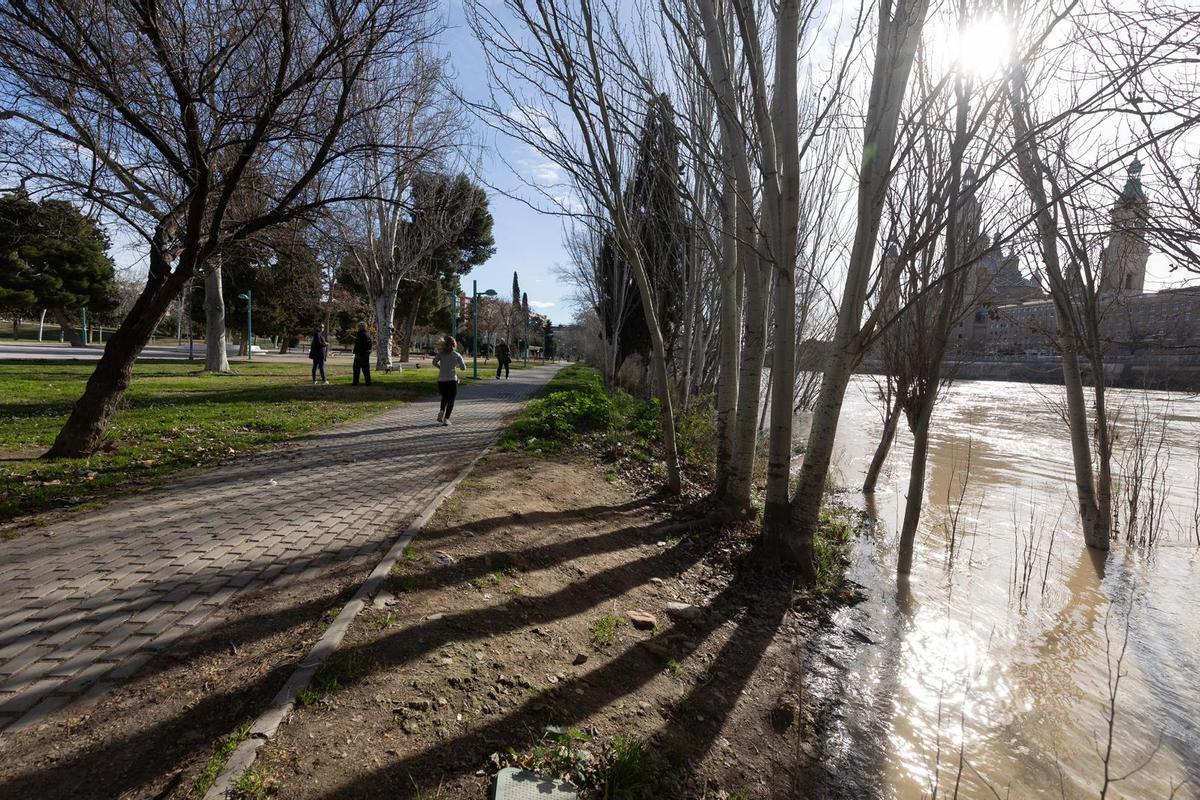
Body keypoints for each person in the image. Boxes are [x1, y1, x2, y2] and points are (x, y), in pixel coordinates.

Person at [431, 335, 467, 425]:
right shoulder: (457, 355)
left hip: (441, 380)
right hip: (452, 380)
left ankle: (441, 410)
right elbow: (463, 368)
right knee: (451, 400)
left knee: (444, 397)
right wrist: (456, 365)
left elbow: (434, 362)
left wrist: (440, 367)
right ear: (454, 345)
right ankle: (446, 419)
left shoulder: (441, 354)